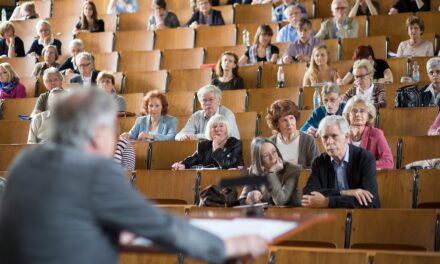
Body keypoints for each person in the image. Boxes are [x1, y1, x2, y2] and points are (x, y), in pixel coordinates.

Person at [0, 88, 268, 264]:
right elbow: (162, 226)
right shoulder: (95, 170)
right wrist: (224, 246)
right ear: (97, 134)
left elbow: (60, 219)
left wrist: (107, 229)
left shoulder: (27, 160)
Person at [301, 115, 380, 208]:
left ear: (346, 137)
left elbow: (369, 201)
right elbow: (308, 194)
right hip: (330, 218)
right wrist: (345, 192)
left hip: (363, 217)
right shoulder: (319, 161)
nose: (329, 141)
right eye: (325, 137)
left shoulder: (365, 158)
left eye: (334, 136)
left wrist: (327, 202)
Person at [239, 137, 301, 206]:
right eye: (266, 155)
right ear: (259, 160)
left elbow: (280, 201)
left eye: (274, 151)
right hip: (264, 214)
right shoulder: (253, 170)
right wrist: (249, 200)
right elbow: (242, 200)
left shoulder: (292, 170)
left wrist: (271, 173)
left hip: (290, 214)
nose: (272, 158)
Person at [172, 114, 243, 170]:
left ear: (227, 129)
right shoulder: (203, 145)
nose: (217, 129)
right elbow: (192, 159)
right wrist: (183, 165)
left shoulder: (235, 144)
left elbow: (227, 165)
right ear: (209, 131)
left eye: (221, 126)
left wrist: (216, 147)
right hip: (207, 181)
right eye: (214, 126)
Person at [342, 95, 394, 169]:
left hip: (368, 178)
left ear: (368, 116)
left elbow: (388, 162)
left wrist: (363, 165)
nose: (358, 114)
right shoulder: (342, 134)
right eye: (354, 110)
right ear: (348, 114)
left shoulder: (376, 134)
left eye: (362, 111)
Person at [266, 99, 320, 168]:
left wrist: (297, 167)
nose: (289, 124)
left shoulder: (309, 141)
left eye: (291, 118)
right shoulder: (270, 143)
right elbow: (264, 170)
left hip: (303, 179)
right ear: (277, 124)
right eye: (284, 120)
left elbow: (318, 169)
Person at [176, 85, 240, 140]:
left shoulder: (227, 114)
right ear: (200, 103)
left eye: (211, 99)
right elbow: (179, 135)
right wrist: (185, 137)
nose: (207, 103)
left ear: (219, 101)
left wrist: (196, 136)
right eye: (204, 100)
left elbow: (226, 136)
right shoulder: (196, 116)